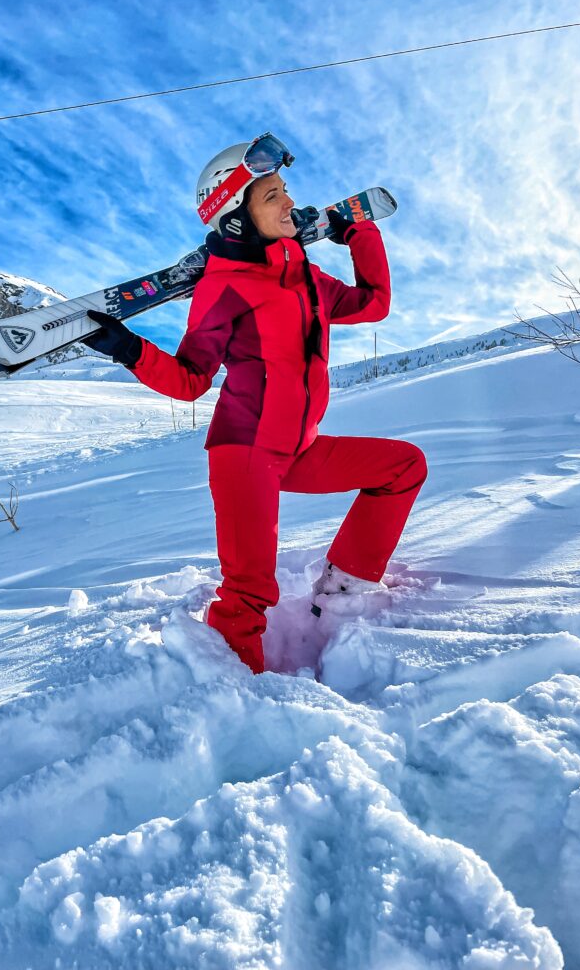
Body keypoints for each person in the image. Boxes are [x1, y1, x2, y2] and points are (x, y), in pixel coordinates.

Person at [86, 133, 427, 674]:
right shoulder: (222, 288)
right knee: (248, 590)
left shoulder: (307, 278)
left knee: (403, 466)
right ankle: (228, 693)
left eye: (285, 190)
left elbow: (373, 305)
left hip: (298, 447)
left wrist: (357, 234)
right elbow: (192, 380)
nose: (290, 201)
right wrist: (129, 350)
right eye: (272, 196)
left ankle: (343, 588)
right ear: (237, 219)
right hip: (244, 450)